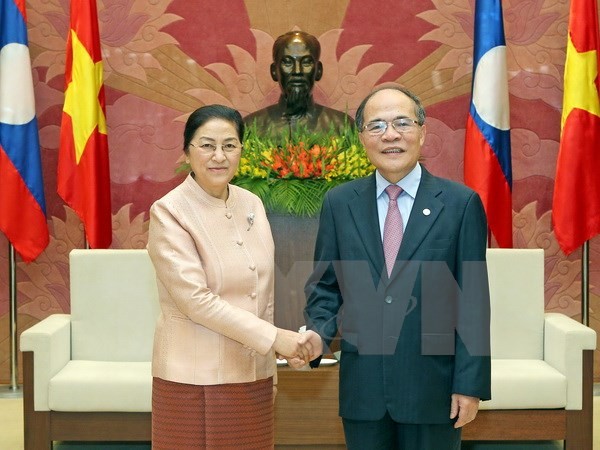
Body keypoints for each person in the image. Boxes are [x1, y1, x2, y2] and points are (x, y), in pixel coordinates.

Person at [301, 87, 491, 449]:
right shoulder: (340, 203)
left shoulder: (460, 204)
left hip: (433, 389)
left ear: (422, 131)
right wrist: (317, 336)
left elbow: (473, 302)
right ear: (362, 138)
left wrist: (469, 384)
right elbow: (325, 287)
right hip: (364, 390)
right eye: (377, 126)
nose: (390, 135)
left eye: (402, 123)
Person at [147, 104, 315, 449]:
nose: (218, 156)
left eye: (229, 145)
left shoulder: (251, 203)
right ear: (187, 151)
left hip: (253, 371)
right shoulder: (169, 212)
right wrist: (275, 339)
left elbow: (261, 290)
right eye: (206, 145)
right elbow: (197, 301)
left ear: (241, 150)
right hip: (194, 378)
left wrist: (276, 350)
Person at [244, 30, 352, 137]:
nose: (297, 71)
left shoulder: (343, 127)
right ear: (274, 71)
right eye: (287, 62)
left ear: (319, 70)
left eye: (306, 62)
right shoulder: (250, 128)